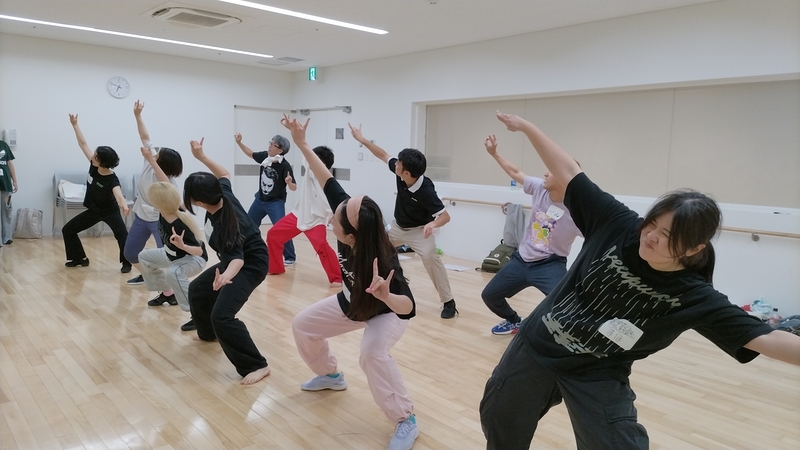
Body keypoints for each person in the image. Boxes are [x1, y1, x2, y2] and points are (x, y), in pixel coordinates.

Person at [479, 111, 800, 450]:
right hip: (538, 344)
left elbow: (767, 338)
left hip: (598, 371)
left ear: (694, 249)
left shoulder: (693, 295)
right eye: (653, 224)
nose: (651, 237)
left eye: (668, 236)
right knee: (500, 423)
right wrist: (526, 127)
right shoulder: (617, 223)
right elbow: (570, 172)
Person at [285, 116, 419, 450]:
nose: (332, 217)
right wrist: (302, 144)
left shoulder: (382, 260)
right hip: (351, 302)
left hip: (385, 312)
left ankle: (405, 419)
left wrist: (386, 296)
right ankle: (331, 376)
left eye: (336, 219)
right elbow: (325, 177)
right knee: (303, 326)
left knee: (371, 354)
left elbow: (408, 307)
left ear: (350, 235)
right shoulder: (351, 214)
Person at [183, 138, 270, 385]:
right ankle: (208, 335)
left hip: (251, 264)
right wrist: (202, 157)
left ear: (199, 203)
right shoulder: (223, 193)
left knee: (222, 315)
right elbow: (224, 173)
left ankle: (257, 365)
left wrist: (225, 277)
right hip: (235, 259)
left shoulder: (227, 226)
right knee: (197, 290)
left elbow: (237, 261)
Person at [348, 123, 458, 319]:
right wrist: (362, 139)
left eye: (399, 163)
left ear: (407, 173)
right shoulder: (401, 173)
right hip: (398, 227)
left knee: (431, 257)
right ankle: (364, 287)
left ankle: (448, 301)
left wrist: (432, 224)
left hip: (419, 231)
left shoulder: (426, 190)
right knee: (371, 246)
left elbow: (445, 216)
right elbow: (383, 155)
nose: (395, 164)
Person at [481, 134, 581, 335]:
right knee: (490, 295)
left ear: (564, 177)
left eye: (551, 170)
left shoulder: (578, 210)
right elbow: (516, 172)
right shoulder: (539, 188)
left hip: (550, 264)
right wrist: (494, 153)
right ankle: (514, 321)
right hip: (521, 260)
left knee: (565, 305)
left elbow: (597, 237)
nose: (545, 173)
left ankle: (546, 332)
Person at [124, 101, 184, 291]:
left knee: (168, 257)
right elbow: (145, 137)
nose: (155, 154)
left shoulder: (168, 181)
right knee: (130, 253)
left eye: (158, 155)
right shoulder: (150, 160)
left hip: (161, 221)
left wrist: (152, 161)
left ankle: (171, 290)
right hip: (141, 217)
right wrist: (138, 115)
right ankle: (149, 276)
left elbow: (165, 183)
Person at [266, 145, 342, 286]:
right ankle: (275, 268)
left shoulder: (328, 181)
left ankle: (337, 278)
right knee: (273, 235)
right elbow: (304, 150)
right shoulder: (309, 168)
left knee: (321, 245)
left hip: (316, 220)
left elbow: (334, 199)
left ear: (322, 163)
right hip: (299, 215)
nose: (310, 159)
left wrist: (334, 215)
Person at [63, 114, 130, 271]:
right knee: (68, 230)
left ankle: (127, 262)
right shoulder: (94, 165)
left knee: (122, 234)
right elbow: (83, 144)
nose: (93, 157)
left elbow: (118, 194)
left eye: (96, 156)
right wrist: (75, 125)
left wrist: (124, 205)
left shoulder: (112, 179)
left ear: (104, 162)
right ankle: (79, 258)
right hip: (94, 210)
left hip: (110, 211)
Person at [138, 182, 207, 332]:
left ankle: (198, 314)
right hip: (171, 254)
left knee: (174, 272)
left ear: (159, 202)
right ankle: (168, 293)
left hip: (193, 258)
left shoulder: (179, 224)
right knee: (144, 257)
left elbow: (199, 251)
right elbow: (165, 186)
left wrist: (183, 246)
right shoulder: (163, 212)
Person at [234, 133, 297, 265]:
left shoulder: (285, 165)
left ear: (280, 150)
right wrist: (239, 143)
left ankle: (290, 256)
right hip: (259, 200)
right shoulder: (265, 157)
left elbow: (294, 187)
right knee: (248, 225)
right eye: (270, 143)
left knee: (281, 228)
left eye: (273, 145)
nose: (270, 146)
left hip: (275, 203)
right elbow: (250, 153)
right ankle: (245, 251)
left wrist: (289, 182)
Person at [0, 139, 17, 246]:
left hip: (5, 183)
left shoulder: (3, 145)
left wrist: (15, 181)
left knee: (6, 211)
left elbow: (10, 163)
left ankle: (6, 238)